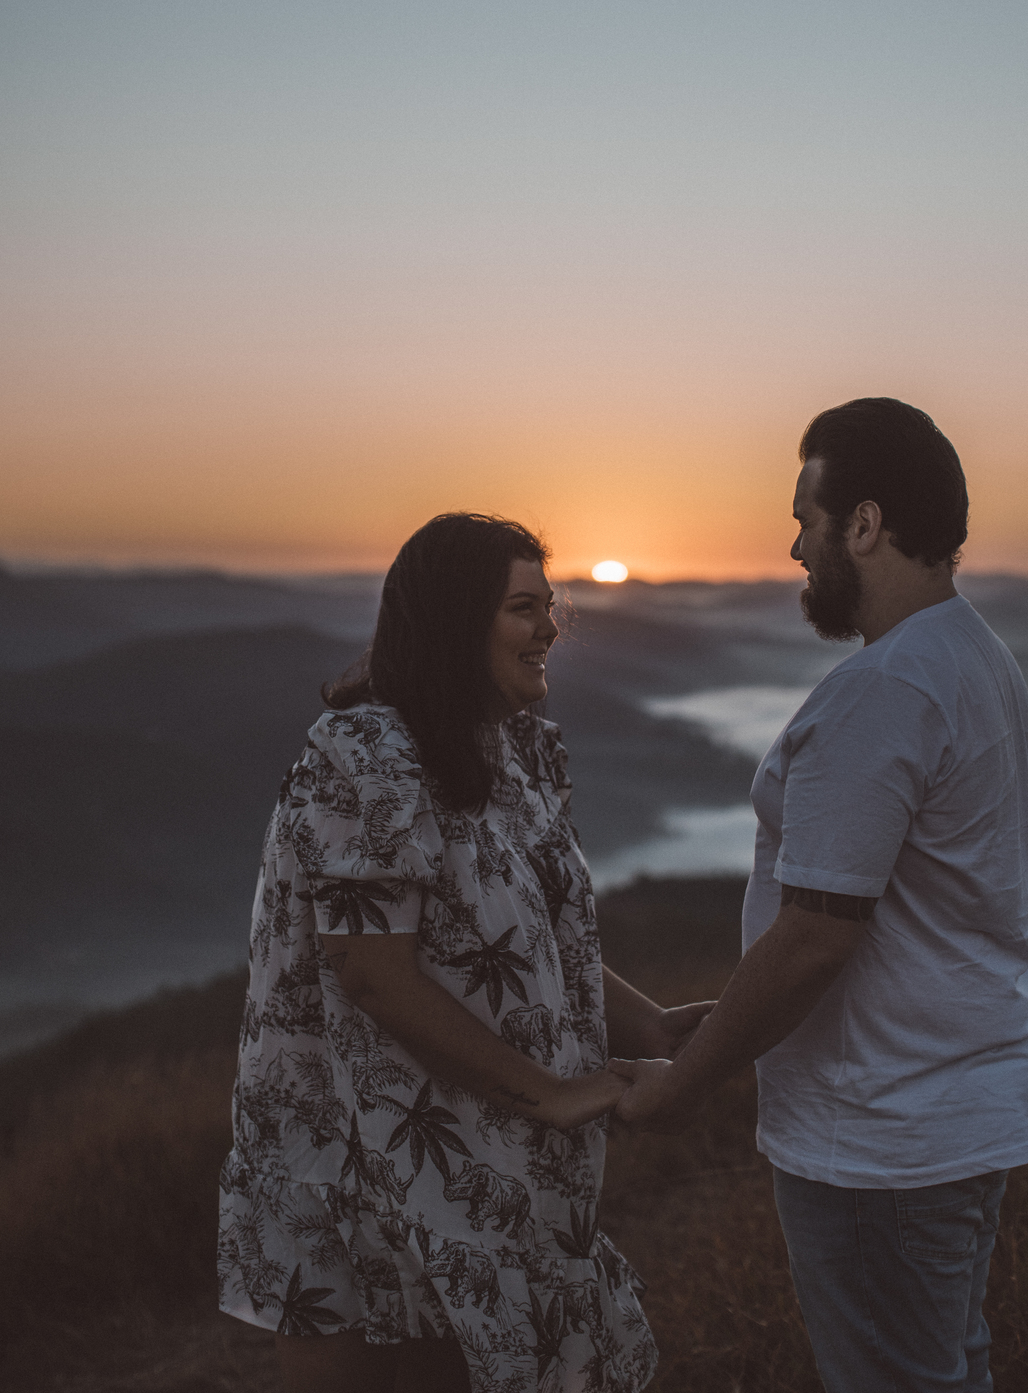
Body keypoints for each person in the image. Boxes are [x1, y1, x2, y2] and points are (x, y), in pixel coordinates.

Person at [609, 398, 1028, 1393]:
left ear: (866, 522)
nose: (795, 545)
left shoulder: (886, 691)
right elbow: (911, 915)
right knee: (943, 1371)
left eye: (807, 516)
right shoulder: (976, 658)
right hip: (954, 1106)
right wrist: (729, 1016)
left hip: (883, 1135)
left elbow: (817, 939)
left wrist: (682, 1089)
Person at [219, 512, 705, 1393]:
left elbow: (528, 946)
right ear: (454, 620)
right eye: (525, 608)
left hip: (482, 1147)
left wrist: (655, 1023)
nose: (550, 628)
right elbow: (372, 974)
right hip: (360, 1156)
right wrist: (554, 1094)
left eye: (549, 606)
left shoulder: (519, 751)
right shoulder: (366, 755)